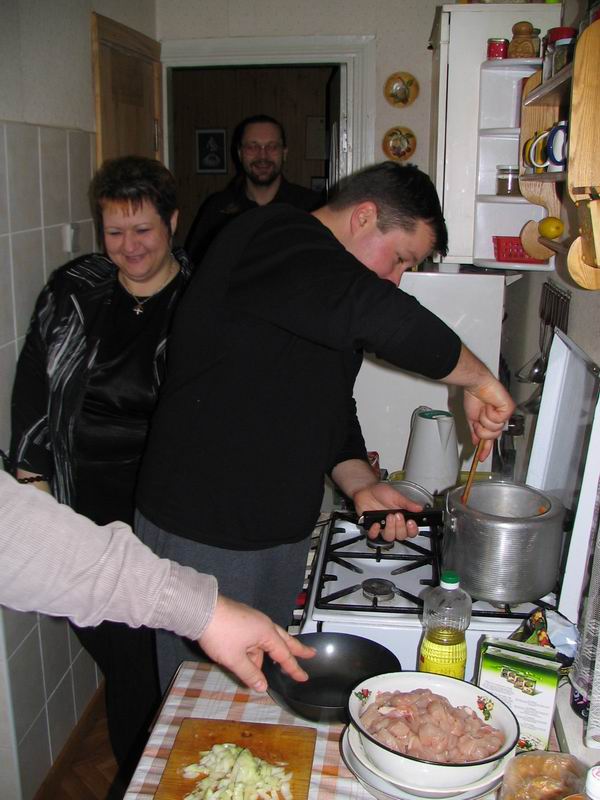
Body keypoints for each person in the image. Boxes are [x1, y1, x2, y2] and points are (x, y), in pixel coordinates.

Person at [135, 161, 516, 690]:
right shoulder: (272, 236)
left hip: (272, 532)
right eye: (400, 258)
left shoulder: (316, 287)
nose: (395, 278)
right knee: (203, 710)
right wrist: (479, 380)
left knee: (255, 698)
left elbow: (328, 401)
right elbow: (380, 313)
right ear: (364, 217)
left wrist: (361, 484)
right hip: (206, 532)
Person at [10, 156, 192, 780]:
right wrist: (30, 478)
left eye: (143, 229)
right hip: (79, 498)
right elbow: (33, 386)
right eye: (114, 231)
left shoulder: (200, 298)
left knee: (146, 653)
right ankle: (145, 773)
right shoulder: (74, 288)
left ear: (172, 222)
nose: (129, 246)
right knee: (122, 652)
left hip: (164, 504)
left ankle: (146, 773)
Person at [0, 471, 314, 694]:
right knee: (135, 680)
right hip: (134, 513)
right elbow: (21, 539)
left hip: (130, 556)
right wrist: (203, 610)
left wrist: (204, 611)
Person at [184, 114, 322, 264]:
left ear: (284, 153)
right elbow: (195, 266)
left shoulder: (310, 207)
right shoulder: (217, 209)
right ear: (240, 154)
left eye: (272, 146)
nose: (262, 156)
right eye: (252, 147)